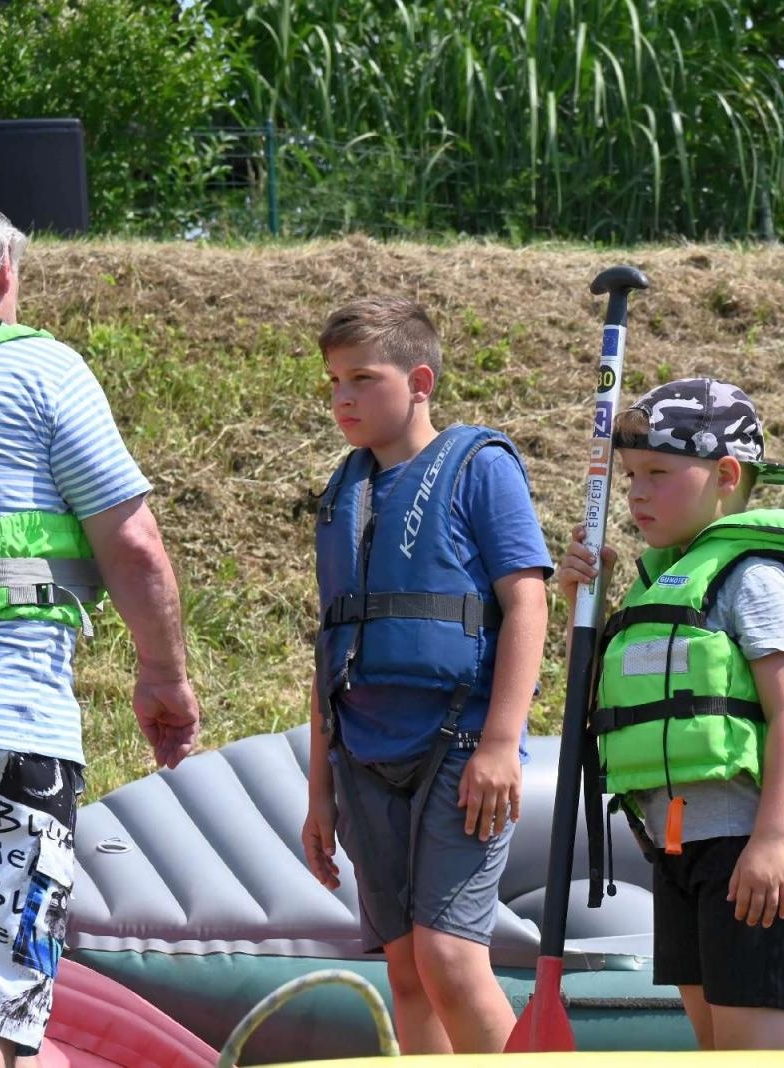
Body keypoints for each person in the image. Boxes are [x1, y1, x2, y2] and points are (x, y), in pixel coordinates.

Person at [0, 187, 199, 1066]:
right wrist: (163, 677)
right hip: (4, 735)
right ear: (3, 271)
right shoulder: (41, 370)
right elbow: (132, 545)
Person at [557, 378, 784, 1050]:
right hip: (677, 851)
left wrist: (772, 842)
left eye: (658, 473)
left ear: (724, 475)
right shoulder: (655, 584)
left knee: (750, 1050)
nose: (635, 492)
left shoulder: (754, 578)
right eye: (631, 475)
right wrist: (587, 599)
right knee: (712, 1050)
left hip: (748, 844)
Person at [300, 297, 551, 1054]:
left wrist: (501, 744)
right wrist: (319, 792)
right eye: (334, 381)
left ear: (417, 381)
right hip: (364, 757)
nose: (342, 398)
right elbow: (331, 648)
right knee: (407, 968)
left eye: (361, 379)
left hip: (459, 744)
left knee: (448, 956)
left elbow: (527, 604)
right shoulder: (345, 491)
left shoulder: (480, 468)